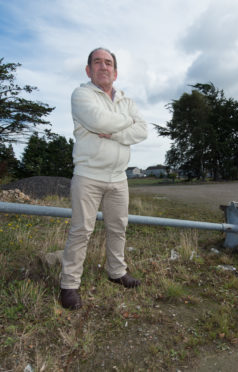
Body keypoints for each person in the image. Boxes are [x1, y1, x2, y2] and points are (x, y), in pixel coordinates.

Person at [60, 47, 148, 310]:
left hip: (119, 178)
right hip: (88, 176)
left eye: (108, 63)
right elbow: (98, 121)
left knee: (118, 228)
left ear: (115, 71)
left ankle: (117, 272)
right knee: (81, 231)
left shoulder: (126, 100)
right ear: (89, 70)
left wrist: (116, 132)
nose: (103, 66)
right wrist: (125, 124)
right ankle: (69, 285)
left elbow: (142, 130)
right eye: (97, 62)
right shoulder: (81, 94)